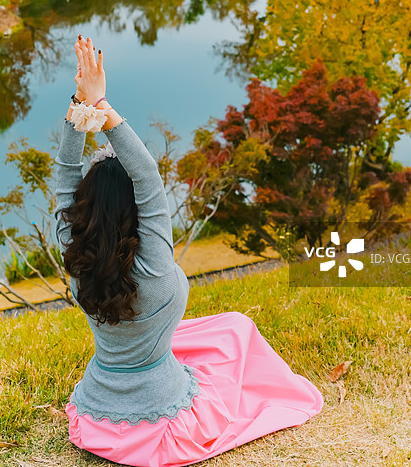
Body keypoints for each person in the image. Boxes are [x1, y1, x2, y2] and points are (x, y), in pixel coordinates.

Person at [55, 34, 323, 467]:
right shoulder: (155, 265)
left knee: (222, 330)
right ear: (136, 209)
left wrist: (78, 103)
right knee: (235, 333)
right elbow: (148, 177)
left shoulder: (75, 258)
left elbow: (67, 174)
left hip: (93, 420)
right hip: (160, 429)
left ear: (85, 208)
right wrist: (101, 105)